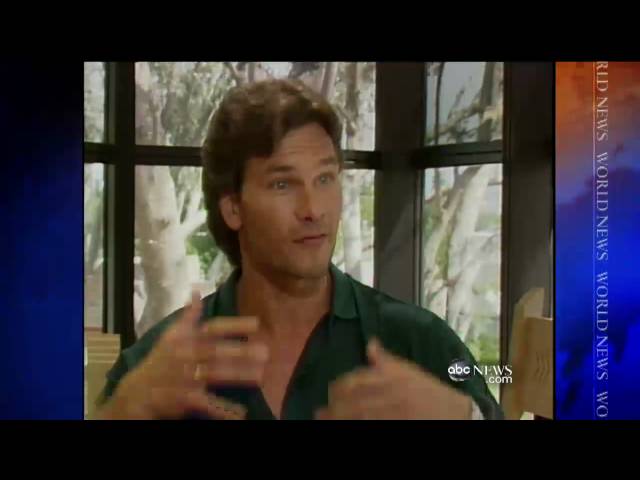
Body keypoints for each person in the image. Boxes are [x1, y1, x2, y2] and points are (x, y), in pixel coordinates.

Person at [95, 78, 503, 420]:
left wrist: (462, 415)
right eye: (282, 184)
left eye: (325, 179)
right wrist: (119, 413)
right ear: (233, 207)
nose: (313, 209)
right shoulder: (159, 372)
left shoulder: (422, 344)